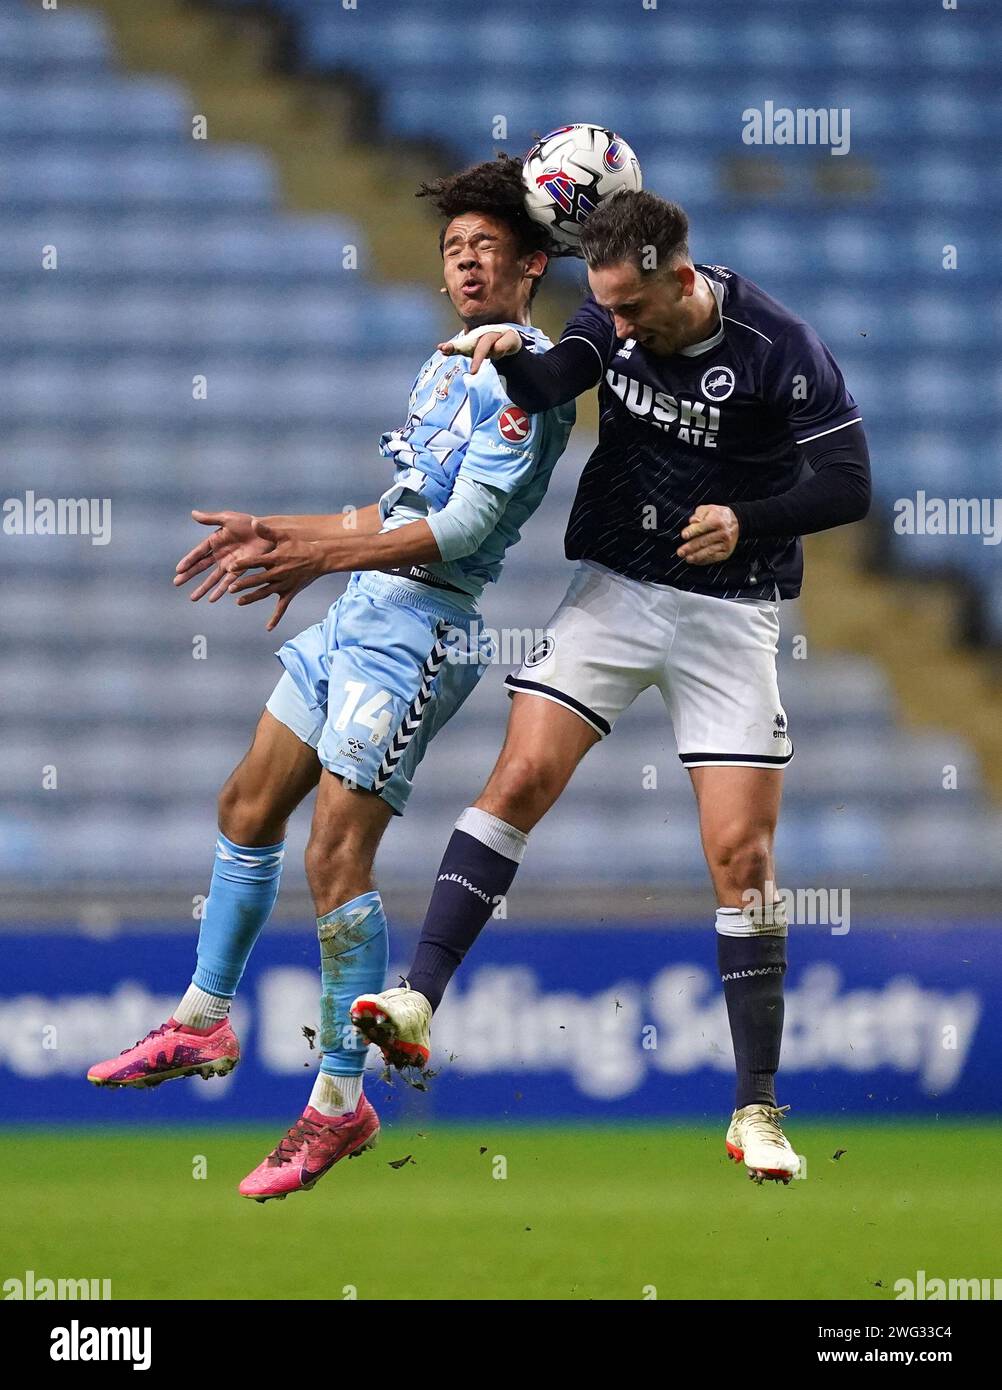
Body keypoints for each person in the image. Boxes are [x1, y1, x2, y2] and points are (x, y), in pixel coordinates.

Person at [352, 188, 871, 1184]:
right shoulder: (608, 307)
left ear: (682, 277)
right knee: (520, 778)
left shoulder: (779, 347)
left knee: (742, 854)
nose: (618, 326)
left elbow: (849, 483)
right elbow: (562, 376)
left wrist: (748, 519)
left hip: (731, 610)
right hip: (618, 590)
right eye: (606, 307)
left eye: (632, 309)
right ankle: (418, 999)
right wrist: (511, 353)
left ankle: (756, 1110)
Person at [85, 154, 574, 1202]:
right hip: (362, 610)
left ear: (532, 264)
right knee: (245, 803)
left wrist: (321, 558)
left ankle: (339, 1103)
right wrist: (283, 531)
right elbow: (391, 509)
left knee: (334, 852)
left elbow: (462, 528)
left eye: (488, 247)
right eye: (454, 248)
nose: (468, 263)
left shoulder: (531, 381)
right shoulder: (444, 366)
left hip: (423, 631)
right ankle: (203, 1022)